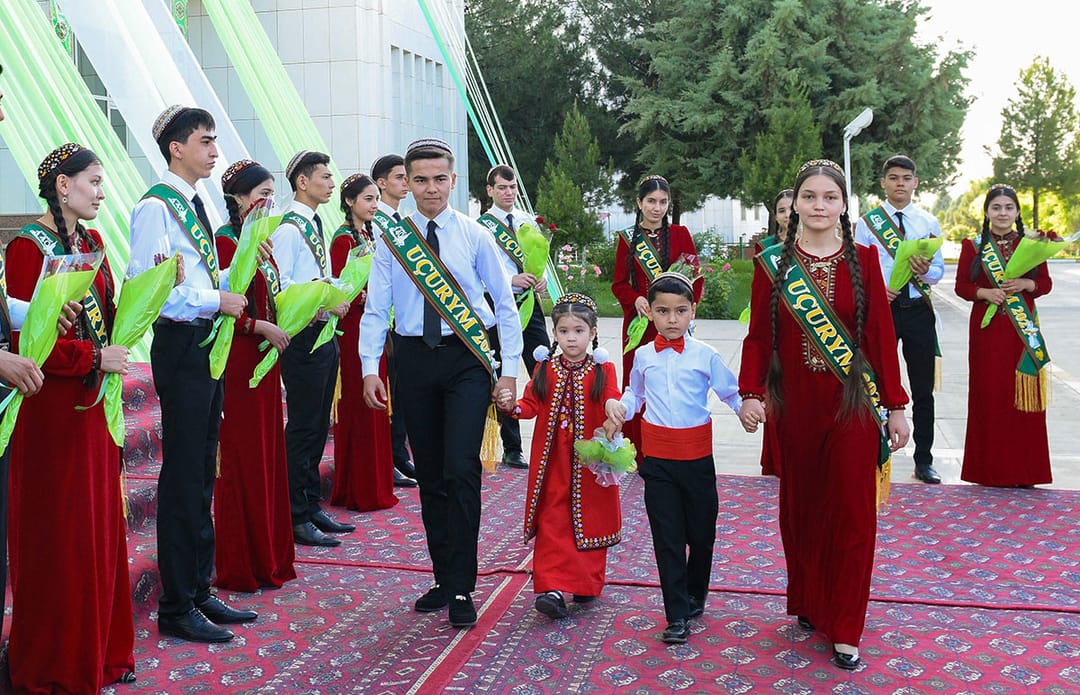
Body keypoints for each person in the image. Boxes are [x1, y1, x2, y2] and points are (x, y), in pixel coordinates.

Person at [738, 159, 910, 670]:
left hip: (853, 406)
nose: (818, 206)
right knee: (803, 509)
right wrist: (751, 393)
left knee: (854, 514)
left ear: (843, 205)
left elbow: (880, 337)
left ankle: (846, 625)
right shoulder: (773, 264)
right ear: (795, 205)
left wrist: (897, 406)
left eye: (829, 197)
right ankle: (812, 600)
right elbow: (758, 338)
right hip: (795, 407)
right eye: (809, 197)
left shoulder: (865, 260)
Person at [360, 137, 521, 629]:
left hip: (466, 360)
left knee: (460, 468)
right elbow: (376, 307)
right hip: (413, 360)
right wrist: (371, 366)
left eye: (440, 179)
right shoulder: (393, 238)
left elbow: (504, 303)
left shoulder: (475, 235)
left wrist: (510, 369)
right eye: (421, 180)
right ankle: (443, 575)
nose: (431, 189)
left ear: (454, 181)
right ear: (407, 184)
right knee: (430, 472)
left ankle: (463, 584)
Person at [7, 143, 135, 690]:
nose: (102, 193)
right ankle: (55, 665)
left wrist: (146, 294)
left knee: (99, 533)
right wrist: (90, 357)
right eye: (94, 182)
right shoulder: (25, 249)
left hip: (92, 409)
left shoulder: (95, 242)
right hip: (49, 414)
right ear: (63, 185)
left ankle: (101, 653)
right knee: (58, 540)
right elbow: (26, 341)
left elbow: (102, 318)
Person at [129, 105, 256, 643]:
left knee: (203, 467)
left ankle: (199, 590)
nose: (214, 151)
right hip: (182, 345)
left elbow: (199, 277)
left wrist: (236, 267)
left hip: (205, 344)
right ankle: (177, 605)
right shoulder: (156, 208)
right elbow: (154, 288)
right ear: (176, 148)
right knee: (182, 477)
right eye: (206, 141)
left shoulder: (194, 201)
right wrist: (215, 296)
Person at [604, 271, 740, 645]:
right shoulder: (643, 355)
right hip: (658, 460)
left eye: (681, 311)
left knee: (701, 534)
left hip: (697, 459)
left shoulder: (706, 355)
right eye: (663, 311)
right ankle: (676, 613)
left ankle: (696, 592)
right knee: (667, 537)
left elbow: (730, 393)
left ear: (693, 311)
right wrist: (619, 409)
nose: (672, 319)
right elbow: (636, 396)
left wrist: (746, 409)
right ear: (650, 313)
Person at [495, 292, 620, 619]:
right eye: (564, 331)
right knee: (552, 518)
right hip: (552, 462)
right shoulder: (545, 366)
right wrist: (513, 407)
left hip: (589, 463)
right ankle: (549, 587)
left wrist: (612, 408)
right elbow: (531, 403)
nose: (571, 338)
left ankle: (585, 583)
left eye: (578, 331)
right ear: (554, 334)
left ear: (592, 333)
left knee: (589, 518)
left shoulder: (603, 369)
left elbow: (612, 397)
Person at [213, 159, 296, 591]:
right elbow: (224, 306)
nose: (268, 202)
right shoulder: (226, 242)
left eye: (271, 194)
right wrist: (259, 326)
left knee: (266, 452)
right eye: (261, 194)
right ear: (239, 198)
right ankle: (241, 560)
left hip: (265, 360)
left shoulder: (260, 240)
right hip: (241, 359)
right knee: (243, 457)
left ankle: (268, 555)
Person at [272, 150, 354, 548]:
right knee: (303, 426)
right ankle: (294, 513)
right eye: (324, 176)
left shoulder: (315, 223)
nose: (330, 183)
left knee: (319, 423)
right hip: (303, 336)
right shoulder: (289, 230)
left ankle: (309, 502)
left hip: (323, 331)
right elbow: (282, 287)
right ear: (302, 182)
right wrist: (322, 303)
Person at [954, 184, 1053, 487]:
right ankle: (988, 471)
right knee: (990, 396)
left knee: (1024, 399)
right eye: (996, 207)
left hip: (1021, 332)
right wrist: (985, 291)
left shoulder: (1032, 245)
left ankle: (1026, 472)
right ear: (986, 212)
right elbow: (961, 286)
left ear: (1017, 212)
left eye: (1008, 207)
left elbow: (1045, 283)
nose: (1002, 213)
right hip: (987, 333)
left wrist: (1025, 284)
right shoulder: (973, 246)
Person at [854, 154, 945, 484]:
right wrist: (878, 289)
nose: (900, 184)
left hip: (918, 309)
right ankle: (874, 452)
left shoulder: (927, 221)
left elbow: (938, 270)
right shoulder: (867, 224)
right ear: (883, 183)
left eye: (906, 178)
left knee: (923, 388)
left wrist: (926, 271)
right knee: (874, 383)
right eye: (893, 178)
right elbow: (858, 268)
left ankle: (924, 459)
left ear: (916, 182)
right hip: (883, 311)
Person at [611, 175, 702, 460]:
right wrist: (636, 298)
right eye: (651, 201)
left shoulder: (680, 234)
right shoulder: (628, 239)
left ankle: (673, 448)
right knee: (638, 384)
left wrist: (685, 309)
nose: (657, 208)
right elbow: (618, 284)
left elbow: (695, 278)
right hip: (640, 324)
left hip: (673, 324)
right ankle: (638, 451)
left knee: (674, 382)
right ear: (639, 203)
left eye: (663, 202)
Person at [329, 173, 399, 511]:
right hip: (354, 326)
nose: (374, 205)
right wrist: (369, 296)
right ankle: (358, 488)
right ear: (349, 202)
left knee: (377, 404)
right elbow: (342, 288)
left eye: (375, 199)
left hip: (373, 323)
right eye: (368, 199)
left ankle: (377, 483)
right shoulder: (343, 240)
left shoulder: (371, 235)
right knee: (358, 404)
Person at [481, 164, 552, 470]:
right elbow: (477, 273)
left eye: (512, 188)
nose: (508, 193)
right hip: (498, 305)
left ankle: (553, 435)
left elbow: (539, 258)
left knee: (545, 368)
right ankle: (512, 446)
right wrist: (510, 281)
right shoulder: (482, 226)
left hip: (530, 306)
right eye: (502, 188)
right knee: (502, 373)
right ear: (490, 191)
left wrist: (542, 279)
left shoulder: (526, 221)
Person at [371, 153, 418, 487]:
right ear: (382, 183)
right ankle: (392, 457)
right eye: (400, 177)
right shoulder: (377, 223)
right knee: (392, 391)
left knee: (403, 393)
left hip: (406, 318)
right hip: (387, 320)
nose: (406, 183)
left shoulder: (403, 222)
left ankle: (401, 455)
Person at [755, 188, 794, 477]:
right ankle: (777, 459)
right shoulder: (765, 248)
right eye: (782, 210)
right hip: (775, 325)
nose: (788, 214)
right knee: (776, 394)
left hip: (806, 326)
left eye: (792, 208)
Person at [755, 188, 794, 253]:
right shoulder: (764, 246)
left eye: (792, 209)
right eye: (782, 211)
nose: (787, 215)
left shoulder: (814, 242)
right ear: (776, 216)